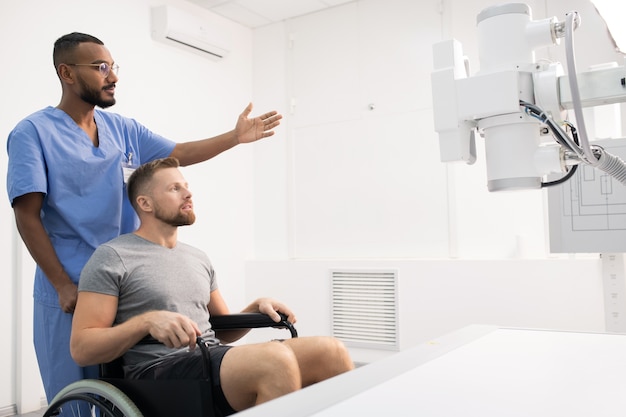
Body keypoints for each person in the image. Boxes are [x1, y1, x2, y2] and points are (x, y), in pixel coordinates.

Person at [6, 32, 282, 403]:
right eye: (101, 67)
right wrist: (61, 284)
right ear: (67, 73)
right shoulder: (32, 133)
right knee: (77, 396)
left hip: (126, 281)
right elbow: (28, 216)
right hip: (70, 285)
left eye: (113, 67)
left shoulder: (123, 129)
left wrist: (234, 138)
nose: (113, 76)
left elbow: (179, 151)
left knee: (132, 390)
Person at [70, 157, 354, 415]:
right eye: (174, 189)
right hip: (157, 372)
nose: (188, 193)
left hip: (210, 358)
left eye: (186, 186)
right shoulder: (113, 256)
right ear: (145, 203)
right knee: (274, 360)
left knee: (332, 351)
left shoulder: (197, 257)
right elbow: (82, 348)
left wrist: (255, 307)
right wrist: (146, 321)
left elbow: (221, 329)